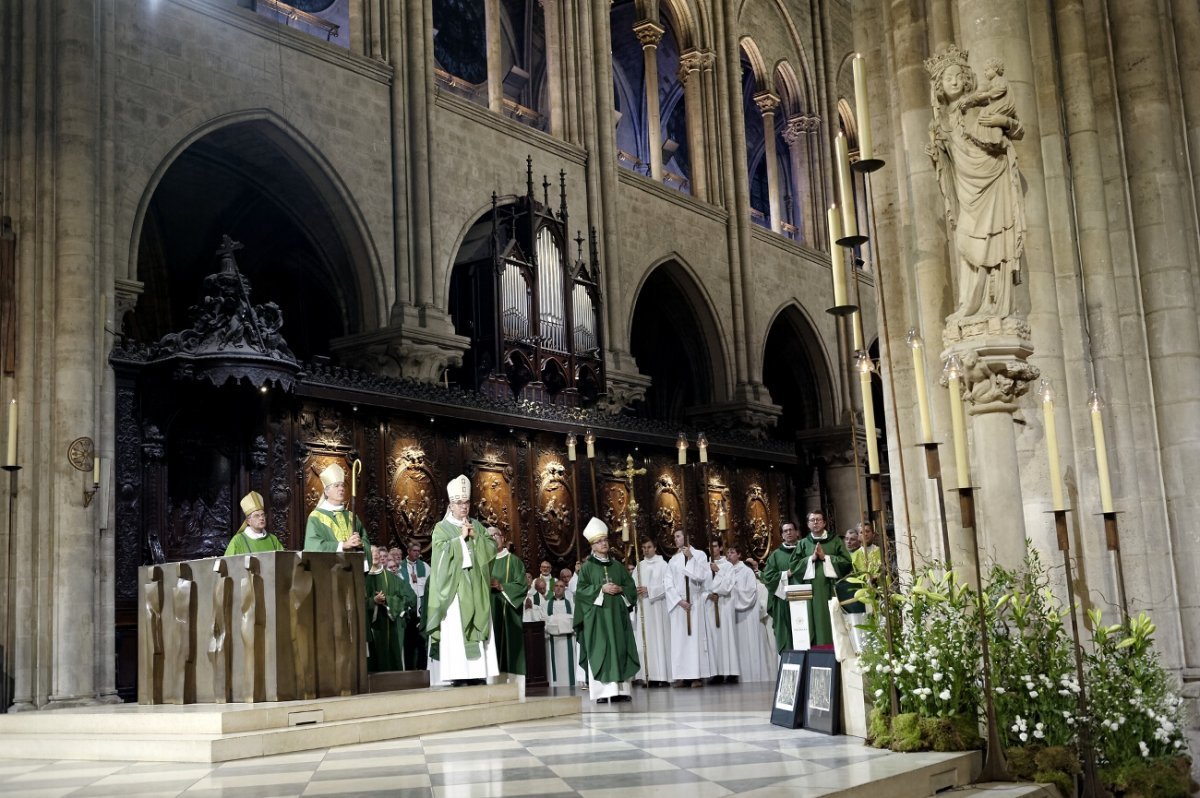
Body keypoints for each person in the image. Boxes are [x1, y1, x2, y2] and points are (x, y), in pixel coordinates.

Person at [424, 475, 498, 685]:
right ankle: (459, 674)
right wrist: (460, 539)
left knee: (478, 623)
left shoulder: (476, 525)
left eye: (466, 502)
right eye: (459, 503)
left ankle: (477, 674)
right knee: (456, 630)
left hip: (476, 586)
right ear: (450, 505)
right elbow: (439, 555)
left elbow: (492, 548)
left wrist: (476, 537)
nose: (463, 507)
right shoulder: (442, 528)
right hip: (455, 590)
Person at [572, 517, 639, 703]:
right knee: (600, 651)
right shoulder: (586, 568)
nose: (603, 544)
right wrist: (601, 589)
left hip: (617, 617)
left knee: (620, 649)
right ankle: (603, 693)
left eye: (605, 540)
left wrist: (621, 589)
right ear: (592, 546)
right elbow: (581, 592)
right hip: (598, 619)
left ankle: (622, 691)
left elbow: (631, 588)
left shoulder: (617, 566)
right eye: (599, 541)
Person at [795, 510, 853, 648]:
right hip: (812, 594)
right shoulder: (803, 544)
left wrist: (825, 558)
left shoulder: (835, 541)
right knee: (815, 624)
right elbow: (794, 566)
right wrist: (811, 559)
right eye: (812, 520)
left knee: (833, 622)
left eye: (818, 520)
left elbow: (846, 562)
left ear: (824, 523)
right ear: (808, 524)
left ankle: (837, 652)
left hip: (832, 590)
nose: (815, 523)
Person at [664, 528, 712, 688]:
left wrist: (691, 559)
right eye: (675, 537)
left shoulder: (699, 555)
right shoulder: (673, 560)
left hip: (695, 603)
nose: (676, 539)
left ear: (686, 537)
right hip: (679, 606)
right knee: (680, 641)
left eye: (678, 536)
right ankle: (682, 676)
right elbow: (668, 583)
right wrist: (678, 600)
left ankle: (696, 675)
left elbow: (702, 577)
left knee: (694, 640)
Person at [304, 464, 371, 568]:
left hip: (353, 571)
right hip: (328, 574)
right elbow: (313, 546)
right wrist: (342, 545)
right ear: (326, 492)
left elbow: (365, 539)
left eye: (343, 485)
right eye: (336, 486)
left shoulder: (351, 516)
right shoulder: (316, 517)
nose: (341, 489)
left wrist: (360, 544)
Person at [365, 546, 418, 672]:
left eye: (378, 552)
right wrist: (373, 601)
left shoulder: (391, 577)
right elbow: (356, 602)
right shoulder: (363, 577)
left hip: (390, 625)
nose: (376, 555)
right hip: (371, 625)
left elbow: (404, 598)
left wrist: (387, 600)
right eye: (372, 552)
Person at [727, 545, 773, 682]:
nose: (729, 555)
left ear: (739, 555)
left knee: (750, 643)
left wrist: (732, 590)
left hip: (747, 611)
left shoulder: (746, 571)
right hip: (733, 613)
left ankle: (754, 676)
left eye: (732, 552)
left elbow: (750, 592)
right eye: (727, 552)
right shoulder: (727, 571)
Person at [631, 537, 671, 687]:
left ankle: (662, 676)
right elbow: (632, 585)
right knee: (645, 641)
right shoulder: (639, 566)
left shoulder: (663, 565)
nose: (646, 550)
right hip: (643, 608)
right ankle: (648, 676)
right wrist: (635, 590)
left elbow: (668, 586)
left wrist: (650, 590)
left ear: (655, 548)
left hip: (658, 608)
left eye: (648, 547)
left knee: (659, 639)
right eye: (643, 547)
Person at [488, 526, 527, 679]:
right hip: (488, 613)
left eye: (495, 535)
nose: (492, 538)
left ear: (503, 538)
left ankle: (513, 684)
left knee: (510, 648)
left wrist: (502, 586)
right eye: (488, 536)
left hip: (508, 615)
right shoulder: (483, 562)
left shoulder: (514, 561)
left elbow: (522, 585)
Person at [762, 520, 805, 652]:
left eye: (791, 530)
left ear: (797, 532)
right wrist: (786, 574)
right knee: (788, 634)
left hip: (805, 597)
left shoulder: (805, 550)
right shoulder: (776, 555)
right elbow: (767, 577)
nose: (789, 533)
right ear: (782, 535)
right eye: (785, 531)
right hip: (783, 600)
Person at [704, 539, 739, 684]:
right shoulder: (704, 566)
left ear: (720, 547)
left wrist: (718, 572)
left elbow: (728, 585)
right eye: (710, 546)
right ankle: (717, 673)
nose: (713, 549)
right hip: (710, 605)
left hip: (724, 604)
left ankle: (731, 672)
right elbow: (700, 587)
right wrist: (708, 594)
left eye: (715, 546)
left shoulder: (727, 566)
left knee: (727, 637)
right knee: (713, 639)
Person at [397, 541, 429, 670]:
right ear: (408, 551)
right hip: (409, 609)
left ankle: (422, 667)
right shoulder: (400, 566)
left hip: (421, 607)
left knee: (421, 641)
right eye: (414, 550)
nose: (417, 553)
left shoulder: (425, 566)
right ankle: (410, 668)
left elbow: (428, 584)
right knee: (409, 641)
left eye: (418, 551)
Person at [224, 490, 285, 555]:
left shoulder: (273, 539)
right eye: (257, 516)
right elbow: (228, 563)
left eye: (263, 515)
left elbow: (282, 560)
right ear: (248, 521)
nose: (261, 518)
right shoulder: (238, 541)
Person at [543, 582, 575, 688]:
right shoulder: (546, 604)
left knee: (568, 665)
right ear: (553, 588)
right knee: (554, 666)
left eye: (561, 586)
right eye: (556, 586)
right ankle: (554, 685)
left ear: (564, 589)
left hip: (568, 640)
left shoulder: (571, 604)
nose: (558, 588)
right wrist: (564, 620)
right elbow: (544, 621)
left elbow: (574, 621)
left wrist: (555, 620)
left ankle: (571, 684)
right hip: (552, 641)